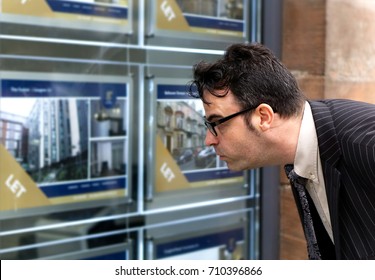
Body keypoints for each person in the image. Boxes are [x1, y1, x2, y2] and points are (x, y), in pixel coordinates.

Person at [188, 42, 375, 260]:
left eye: (218, 122)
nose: (209, 140)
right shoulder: (304, 149)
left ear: (263, 117)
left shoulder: (366, 144)